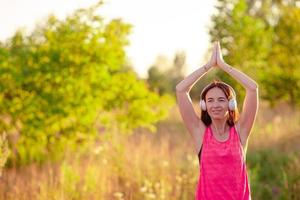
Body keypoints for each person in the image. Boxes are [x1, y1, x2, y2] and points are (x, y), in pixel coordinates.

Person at [175, 41, 258, 199]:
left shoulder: (241, 131)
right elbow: (181, 89)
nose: (215, 105)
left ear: (231, 103)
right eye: (210, 100)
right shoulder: (200, 132)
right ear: (204, 105)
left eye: (221, 100)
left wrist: (223, 65)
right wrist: (208, 66)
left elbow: (253, 88)